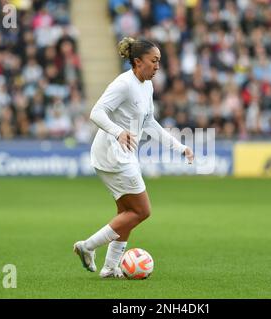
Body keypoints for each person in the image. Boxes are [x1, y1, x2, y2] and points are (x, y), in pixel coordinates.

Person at [73, 37, 194, 278]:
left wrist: (179, 147)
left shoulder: (146, 85)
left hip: (117, 154)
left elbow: (149, 122)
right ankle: (87, 246)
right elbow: (96, 112)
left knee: (126, 214)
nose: (158, 66)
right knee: (142, 211)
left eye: (159, 61)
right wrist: (118, 132)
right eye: (154, 61)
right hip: (114, 155)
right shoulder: (124, 84)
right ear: (137, 62)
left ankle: (109, 267)